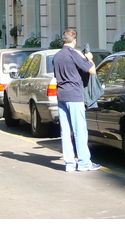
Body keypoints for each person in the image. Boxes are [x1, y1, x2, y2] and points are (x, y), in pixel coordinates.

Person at [52, 29, 100, 172]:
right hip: (74, 95)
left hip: (61, 95)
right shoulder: (74, 54)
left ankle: (69, 164)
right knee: (80, 130)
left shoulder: (57, 56)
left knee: (65, 131)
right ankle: (84, 162)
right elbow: (92, 70)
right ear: (74, 41)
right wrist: (89, 57)